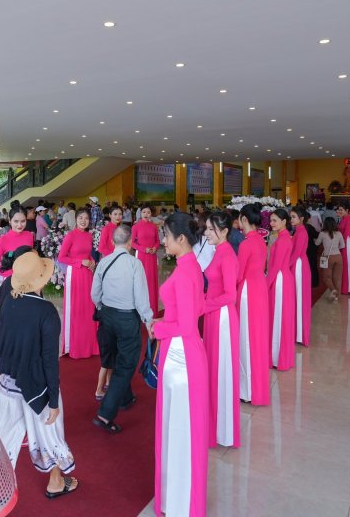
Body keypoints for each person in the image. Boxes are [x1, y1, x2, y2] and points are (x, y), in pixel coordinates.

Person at [0, 252, 79, 499]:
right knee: (50, 434)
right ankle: (55, 482)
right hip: (36, 387)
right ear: (42, 279)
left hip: (9, 382)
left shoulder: (9, 301)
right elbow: (50, 361)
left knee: (3, 436)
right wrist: (53, 400)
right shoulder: (46, 311)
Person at [151, 212, 209, 517]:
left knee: (179, 428)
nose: (163, 241)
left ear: (181, 239)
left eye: (166, 235)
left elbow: (186, 325)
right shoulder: (189, 265)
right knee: (178, 427)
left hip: (181, 356)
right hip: (180, 351)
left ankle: (180, 501)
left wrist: (158, 328)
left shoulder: (186, 271)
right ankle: (176, 497)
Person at [90, 224, 153, 434]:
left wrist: (102, 307)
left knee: (117, 356)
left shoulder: (104, 262)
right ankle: (105, 414)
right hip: (127, 318)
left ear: (112, 241)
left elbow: (94, 293)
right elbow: (141, 296)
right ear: (130, 242)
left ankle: (125, 398)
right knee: (126, 364)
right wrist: (148, 320)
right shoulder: (135, 264)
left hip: (107, 316)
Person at [202, 211, 240, 448]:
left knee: (221, 372)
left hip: (222, 317)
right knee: (214, 370)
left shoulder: (227, 254)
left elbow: (230, 295)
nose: (206, 233)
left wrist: (204, 305)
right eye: (206, 228)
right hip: (213, 314)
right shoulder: (219, 250)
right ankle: (213, 424)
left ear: (224, 231)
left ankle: (222, 430)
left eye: (210, 229)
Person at [235, 203, 270, 406]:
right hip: (260, 289)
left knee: (245, 338)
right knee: (256, 336)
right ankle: (255, 386)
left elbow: (239, 274)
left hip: (247, 291)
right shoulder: (261, 241)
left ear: (244, 220)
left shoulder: (246, 244)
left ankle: (246, 389)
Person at [58, 209, 100, 359]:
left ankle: (91, 346)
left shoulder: (89, 235)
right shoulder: (70, 235)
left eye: (86, 218)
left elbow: (88, 254)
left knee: (89, 308)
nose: (83, 221)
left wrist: (92, 261)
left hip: (88, 275)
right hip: (75, 275)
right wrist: (80, 262)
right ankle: (76, 347)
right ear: (75, 219)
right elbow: (61, 257)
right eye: (80, 218)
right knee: (77, 309)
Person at [268, 209, 295, 371]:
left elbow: (276, 266)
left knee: (278, 317)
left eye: (275, 220)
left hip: (279, 280)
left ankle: (277, 357)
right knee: (279, 316)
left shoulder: (283, 239)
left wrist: (265, 285)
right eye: (271, 220)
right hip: (281, 278)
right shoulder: (282, 237)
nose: (271, 223)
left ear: (284, 221)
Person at [0, 208, 35, 283]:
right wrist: (12, 274)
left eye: (23, 221)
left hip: (29, 279)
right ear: (10, 221)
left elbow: (31, 257)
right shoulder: (3, 240)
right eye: (16, 221)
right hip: (12, 281)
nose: (20, 225)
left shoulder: (29, 235)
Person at [290, 206, 313, 347]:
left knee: (299, 297)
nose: (291, 219)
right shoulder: (298, 230)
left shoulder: (302, 232)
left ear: (302, 218)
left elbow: (296, 253)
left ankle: (299, 334)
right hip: (298, 264)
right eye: (291, 217)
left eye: (293, 217)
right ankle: (296, 332)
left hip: (298, 265)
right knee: (297, 298)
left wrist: (286, 266)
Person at [132, 205, 161, 315]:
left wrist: (155, 248)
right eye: (144, 212)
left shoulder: (153, 226)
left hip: (152, 257)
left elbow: (158, 241)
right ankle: (142, 310)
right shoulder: (136, 227)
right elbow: (132, 243)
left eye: (148, 212)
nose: (146, 214)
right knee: (142, 281)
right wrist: (144, 249)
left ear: (151, 214)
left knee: (152, 281)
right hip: (141, 257)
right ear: (140, 213)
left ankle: (153, 308)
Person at [314, 217, 345, 297]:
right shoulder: (339, 233)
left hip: (328, 257)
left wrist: (314, 240)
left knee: (326, 277)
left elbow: (317, 243)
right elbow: (342, 245)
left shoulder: (322, 233)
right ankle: (337, 296)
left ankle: (333, 290)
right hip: (338, 257)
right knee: (337, 278)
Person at [335, 204, 350, 295]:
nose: (339, 211)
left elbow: (347, 233)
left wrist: (341, 244)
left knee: (347, 264)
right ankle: (343, 287)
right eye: (339, 210)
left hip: (346, 243)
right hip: (342, 242)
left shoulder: (349, 219)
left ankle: (349, 288)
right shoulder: (343, 219)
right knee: (343, 265)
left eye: (341, 210)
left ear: (347, 210)